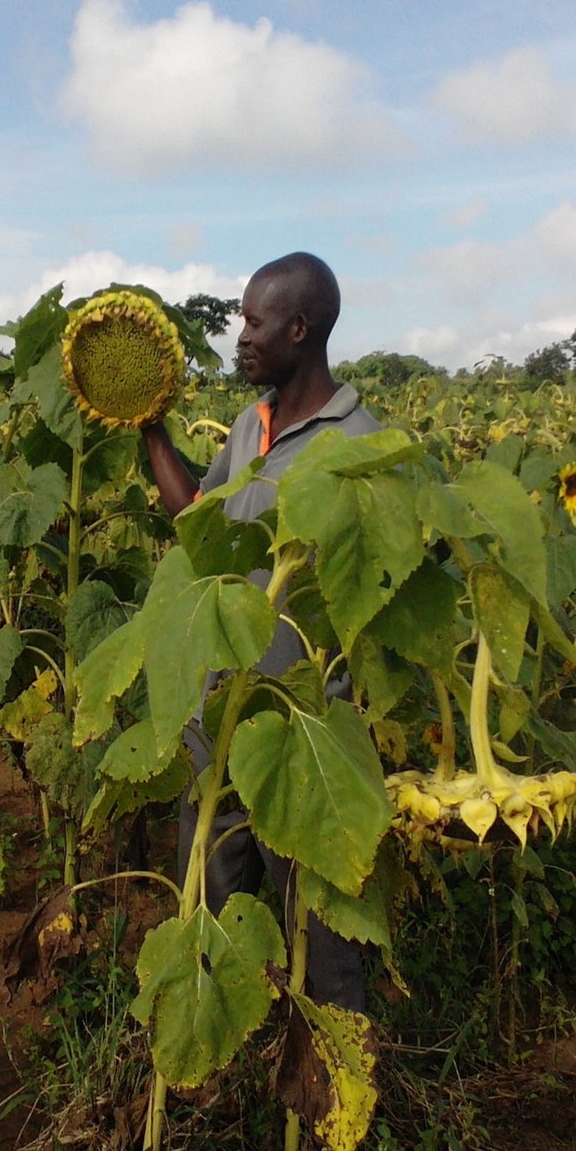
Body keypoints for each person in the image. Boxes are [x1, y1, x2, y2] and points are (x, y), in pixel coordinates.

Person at [141, 251, 380, 1012]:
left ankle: (342, 1080)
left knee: (321, 917)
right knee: (212, 891)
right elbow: (201, 526)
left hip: (302, 727)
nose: (240, 336)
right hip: (221, 714)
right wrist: (150, 431)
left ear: (299, 329)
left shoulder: (357, 445)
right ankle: (226, 1052)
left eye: (253, 321)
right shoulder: (253, 424)